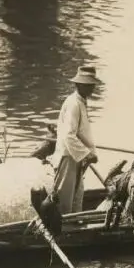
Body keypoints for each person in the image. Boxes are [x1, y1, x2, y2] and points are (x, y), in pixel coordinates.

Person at [51, 65, 102, 213]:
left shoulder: (81, 102)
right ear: (78, 85)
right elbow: (68, 135)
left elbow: (80, 132)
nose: (91, 88)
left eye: (92, 85)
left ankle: (76, 222)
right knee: (64, 200)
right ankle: (63, 225)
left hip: (76, 157)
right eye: (88, 85)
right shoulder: (73, 103)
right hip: (68, 157)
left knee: (77, 197)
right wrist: (87, 154)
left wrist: (88, 153)